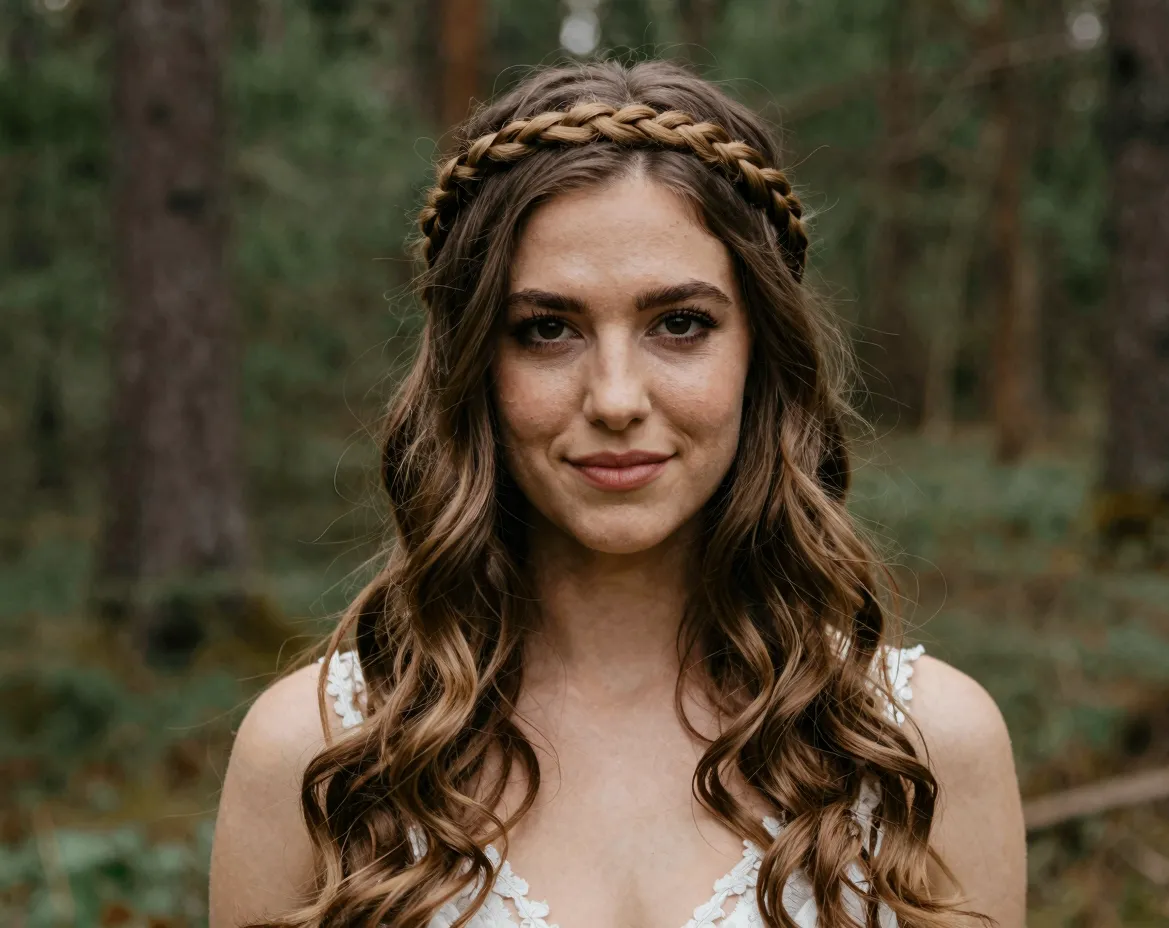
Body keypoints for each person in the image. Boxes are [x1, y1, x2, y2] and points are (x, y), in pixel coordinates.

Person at [209, 59, 1026, 928]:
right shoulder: (321, 756)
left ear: (761, 356)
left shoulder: (921, 749)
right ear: (475, 365)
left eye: (679, 324)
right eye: (547, 330)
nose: (615, 398)